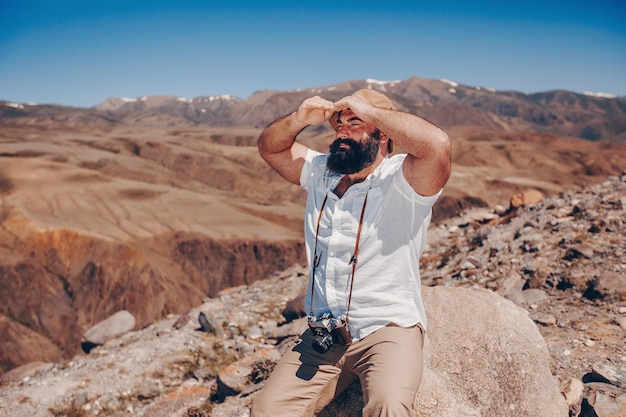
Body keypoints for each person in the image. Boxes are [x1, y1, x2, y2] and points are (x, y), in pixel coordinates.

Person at [251, 89, 451, 417]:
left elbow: (438, 145)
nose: (342, 131)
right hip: (324, 336)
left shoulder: (405, 179)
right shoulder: (320, 173)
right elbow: (269, 147)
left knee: (389, 405)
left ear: (382, 132)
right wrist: (299, 119)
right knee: (267, 409)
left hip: (386, 330)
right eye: (339, 124)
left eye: (354, 123)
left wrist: (371, 110)